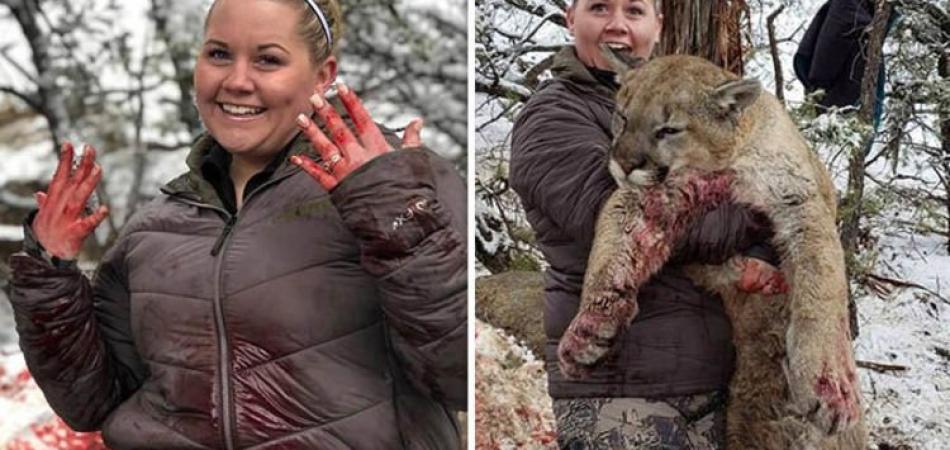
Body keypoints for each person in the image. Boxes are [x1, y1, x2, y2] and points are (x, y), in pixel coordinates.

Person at [6, 0, 466, 448]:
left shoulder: (394, 182)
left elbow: (461, 375)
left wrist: (395, 216)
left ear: (323, 75)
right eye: (219, 54)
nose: (237, 81)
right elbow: (91, 403)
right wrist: (49, 272)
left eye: (268, 59)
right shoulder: (154, 229)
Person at [509, 0, 782, 448]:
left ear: (658, 25)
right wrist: (758, 210)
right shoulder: (552, 117)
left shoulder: (684, 106)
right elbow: (639, 220)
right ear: (570, 18)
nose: (617, 25)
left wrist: (761, 252)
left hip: (711, 383)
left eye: (634, 11)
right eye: (599, 8)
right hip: (620, 393)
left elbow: (770, 187)